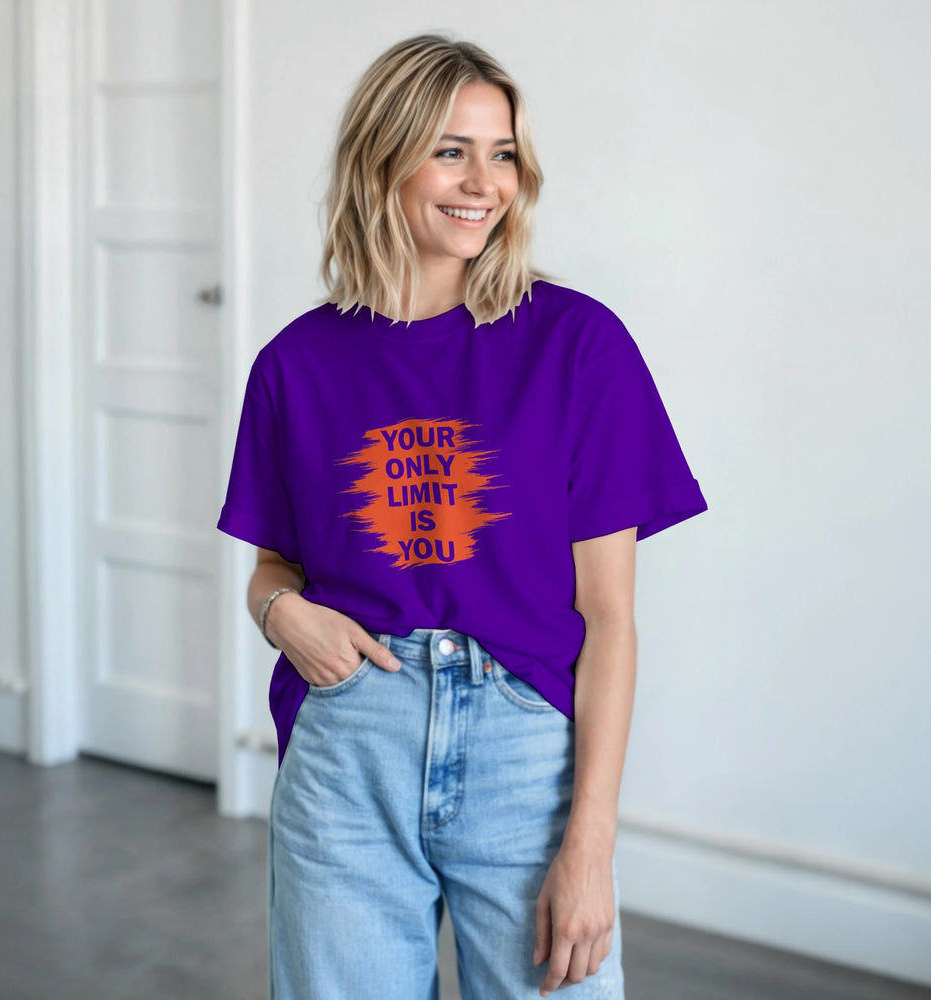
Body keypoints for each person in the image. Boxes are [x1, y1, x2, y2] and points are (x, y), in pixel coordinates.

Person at [217, 32, 707, 1000]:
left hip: (525, 751)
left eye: (503, 153)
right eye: (451, 149)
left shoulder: (578, 346)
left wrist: (590, 844)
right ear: (381, 158)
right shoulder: (293, 365)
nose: (484, 181)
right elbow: (273, 568)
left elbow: (607, 617)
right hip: (351, 740)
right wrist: (278, 612)